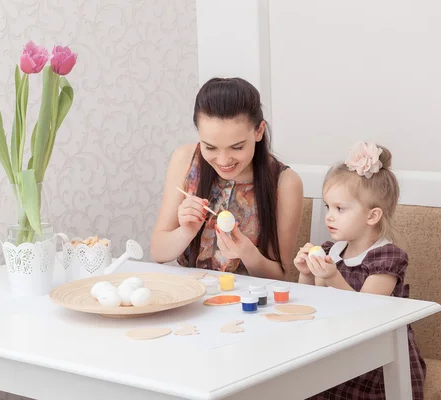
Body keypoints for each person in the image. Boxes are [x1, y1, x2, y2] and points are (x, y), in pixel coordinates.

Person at [294, 141, 425, 400]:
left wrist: (331, 277)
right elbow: (308, 305)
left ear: (372, 216)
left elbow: (366, 312)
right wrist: (306, 274)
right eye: (328, 207)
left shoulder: (387, 258)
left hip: (379, 363)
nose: (329, 216)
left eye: (340, 209)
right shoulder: (331, 249)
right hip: (336, 349)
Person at [150, 77, 303, 279]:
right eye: (210, 147)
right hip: (190, 295)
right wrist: (186, 231)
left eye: (237, 147)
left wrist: (248, 254)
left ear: (259, 131)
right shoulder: (185, 159)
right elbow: (158, 252)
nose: (223, 160)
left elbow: (280, 276)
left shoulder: (285, 182)